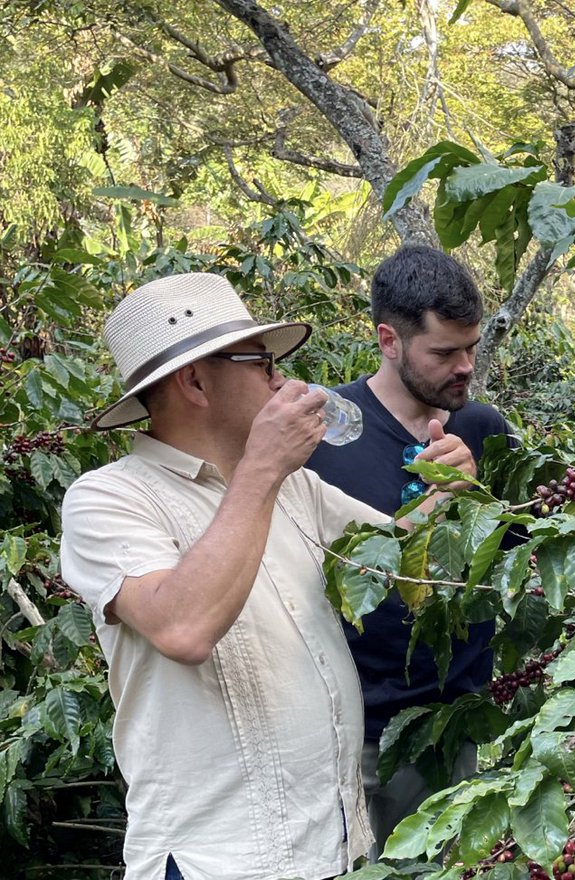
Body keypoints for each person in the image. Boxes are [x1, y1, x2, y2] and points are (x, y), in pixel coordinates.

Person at [60, 273, 392, 880]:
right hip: (219, 862)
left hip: (332, 844)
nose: (281, 381)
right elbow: (183, 628)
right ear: (194, 381)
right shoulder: (108, 498)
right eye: (262, 363)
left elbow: (400, 557)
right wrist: (263, 466)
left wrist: (446, 492)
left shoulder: (299, 487)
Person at [306, 245, 513, 857]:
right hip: (365, 731)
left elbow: (524, 544)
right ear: (389, 341)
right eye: (445, 352)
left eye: (472, 348)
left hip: (458, 721)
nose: (466, 366)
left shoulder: (482, 427)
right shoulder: (325, 437)